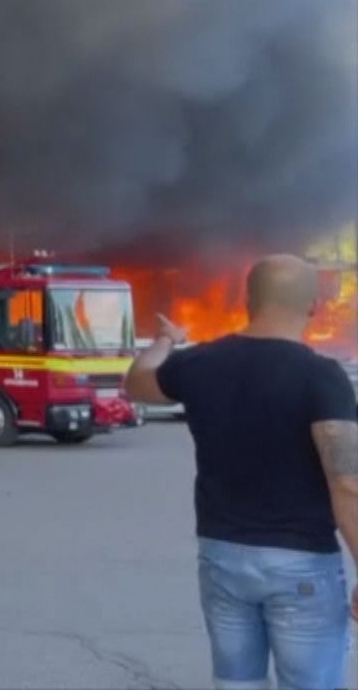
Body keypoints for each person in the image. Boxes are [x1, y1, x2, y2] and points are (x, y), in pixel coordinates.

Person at [126, 254, 358, 690]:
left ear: (247, 300)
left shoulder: (200, 363)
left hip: (222, 556)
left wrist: (165, 339)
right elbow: (346, 481)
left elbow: (138, 381)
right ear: (314, 306)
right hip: (300, 563)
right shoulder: (321, 376)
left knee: (237, 684)